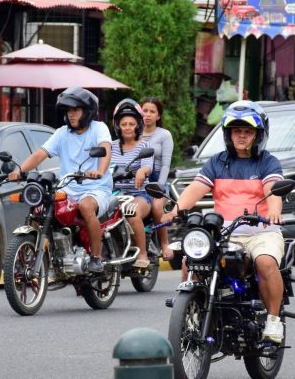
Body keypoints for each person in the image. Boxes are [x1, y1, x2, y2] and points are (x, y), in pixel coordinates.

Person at [162, 101, 286, 344]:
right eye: (236, 131)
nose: (241, 135)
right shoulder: (216, 162)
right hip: (225, 234)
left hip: (261, 232)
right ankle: (191, 315)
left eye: (247, 131)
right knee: (192, 262)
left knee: (265, 262)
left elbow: (274, 190)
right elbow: (196, 189)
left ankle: (273, 320)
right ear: (228, 134)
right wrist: (174, 211)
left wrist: (274, 211)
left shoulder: (268, 162)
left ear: (258, 135)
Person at [8, 87, 112, 273]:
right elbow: (41, 153)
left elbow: (105, 148)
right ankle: (45, 255)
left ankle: (96, 257)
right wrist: (20, 170)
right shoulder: (62, 133)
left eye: (75, 110)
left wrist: (99, 171)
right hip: (68, 188)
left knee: (86, 207)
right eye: (68, 111)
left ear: (87, 112)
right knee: (41, 209)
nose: (71, 115)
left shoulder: (99, 128)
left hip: (96, 187)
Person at [111, 98, 157, 270]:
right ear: (118, 126)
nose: (128, 127)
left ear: (138, 125)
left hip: (139, 195)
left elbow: (148, 166)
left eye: (131, 123)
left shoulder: (144, 146)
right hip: (114, 194)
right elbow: (101, 165)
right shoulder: (110, 146)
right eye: (124, 124)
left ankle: (142, 254)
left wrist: (141, 171)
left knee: (130, 211)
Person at [140, 97, 175, 262]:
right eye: (144, 111)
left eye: (152, 111)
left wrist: (159, 188)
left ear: (158, 116)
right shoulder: (133, 133)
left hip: (157, 181)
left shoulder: (164, 135)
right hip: (138, 181)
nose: (147, 115)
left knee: (155, 205)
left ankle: (164, 244)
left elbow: (166, 164)